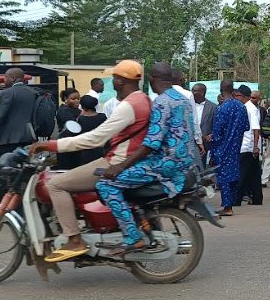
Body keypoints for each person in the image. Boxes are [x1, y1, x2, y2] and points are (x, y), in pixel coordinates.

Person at [27, 60, 150, 262]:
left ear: (120, 81)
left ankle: (75, 239)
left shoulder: (128, 106)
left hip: (115, 161)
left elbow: (95, 139)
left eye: (114, 79)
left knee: (55, 184)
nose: (112, 83)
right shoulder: (143, 99)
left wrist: (53, 145)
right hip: (126, 159)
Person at [94, 63, 198, 256]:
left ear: (151, 80)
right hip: (184, 163)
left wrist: (120, 166)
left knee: (106, 184)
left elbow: (152, 143)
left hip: (164, 164)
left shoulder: (161, 102)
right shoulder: (182, 99)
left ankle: (133, 237)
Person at [0, 67, 38, 199]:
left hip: (7, 140)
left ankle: (0, 204)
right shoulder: (33, 92)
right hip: (27, 139)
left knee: (2, 173)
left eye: (6, 77)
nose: (4, 80)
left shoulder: (7, 93)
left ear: (13, 78)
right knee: (23, 173)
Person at [209, 80, 249, 217]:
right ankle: (230, 203)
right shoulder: (241, 107)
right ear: (233, 90)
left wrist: (213, 148)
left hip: (222, 147)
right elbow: (246, 127)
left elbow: (217, 132)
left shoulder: (221, 108)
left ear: (221, 90)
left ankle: (227, 207)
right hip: (236, 146)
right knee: (233, 175)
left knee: (224, 177)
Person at [235, 85, 262, 206]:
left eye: (237, 96)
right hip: (248, 146)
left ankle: (236, 199)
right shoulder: (246, 107)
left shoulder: (250, 109)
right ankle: (257, 198)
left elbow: (256, 129)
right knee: (254, 173)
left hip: (248, 146)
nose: (236, 98)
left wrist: (255, 147)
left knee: (242, 173)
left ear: (243, 96)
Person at [74, 95, 107, 166]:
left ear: (83, 106)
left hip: (86, 150)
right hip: (101, 149)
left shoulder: (81, 119)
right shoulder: (102, 117)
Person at [56, 88, 82, 170]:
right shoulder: (64, 111)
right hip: (66, 144)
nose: (77, 101)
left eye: (78, 99)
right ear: (66, 99)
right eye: (73, 99)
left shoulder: (77, 110)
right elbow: (73, 126)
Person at [193, 83, 218, 165]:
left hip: (205, 142)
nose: (192, 93)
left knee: (201, 166)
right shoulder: (188, 104)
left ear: (202, 93)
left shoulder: (213, 107)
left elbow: (217, 124)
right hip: (191, 140)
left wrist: (211, 135)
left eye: (194, 91)